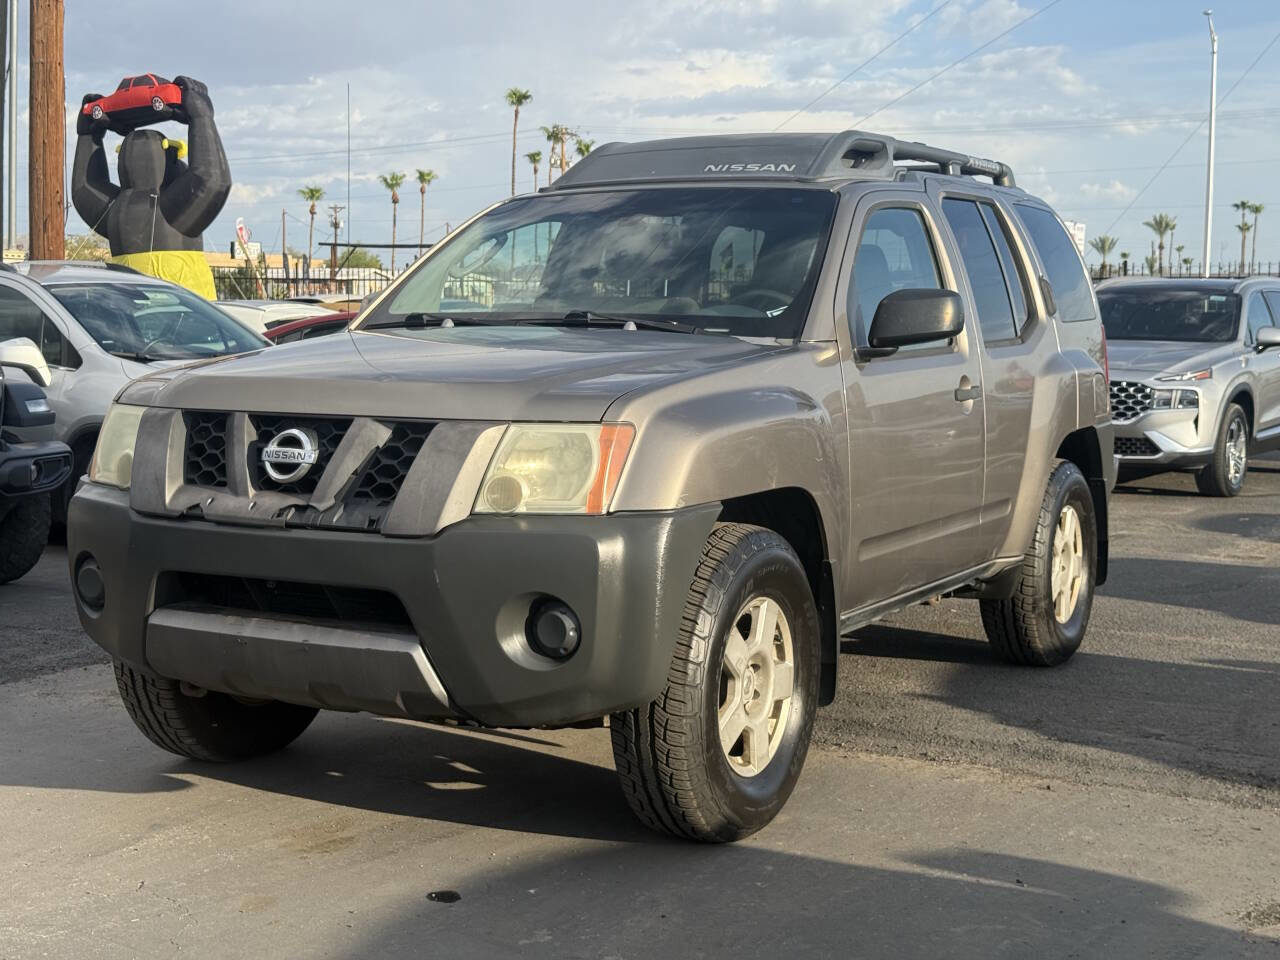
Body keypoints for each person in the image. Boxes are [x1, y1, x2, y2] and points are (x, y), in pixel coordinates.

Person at [71, 76, 230, 300]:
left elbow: (85, 188)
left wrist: (88, 135)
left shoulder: (117, 210)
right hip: (190, 318)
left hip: (127, 317)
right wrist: (201, 116)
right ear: (169, 157)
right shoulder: (174, 208)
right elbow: (212, 178)